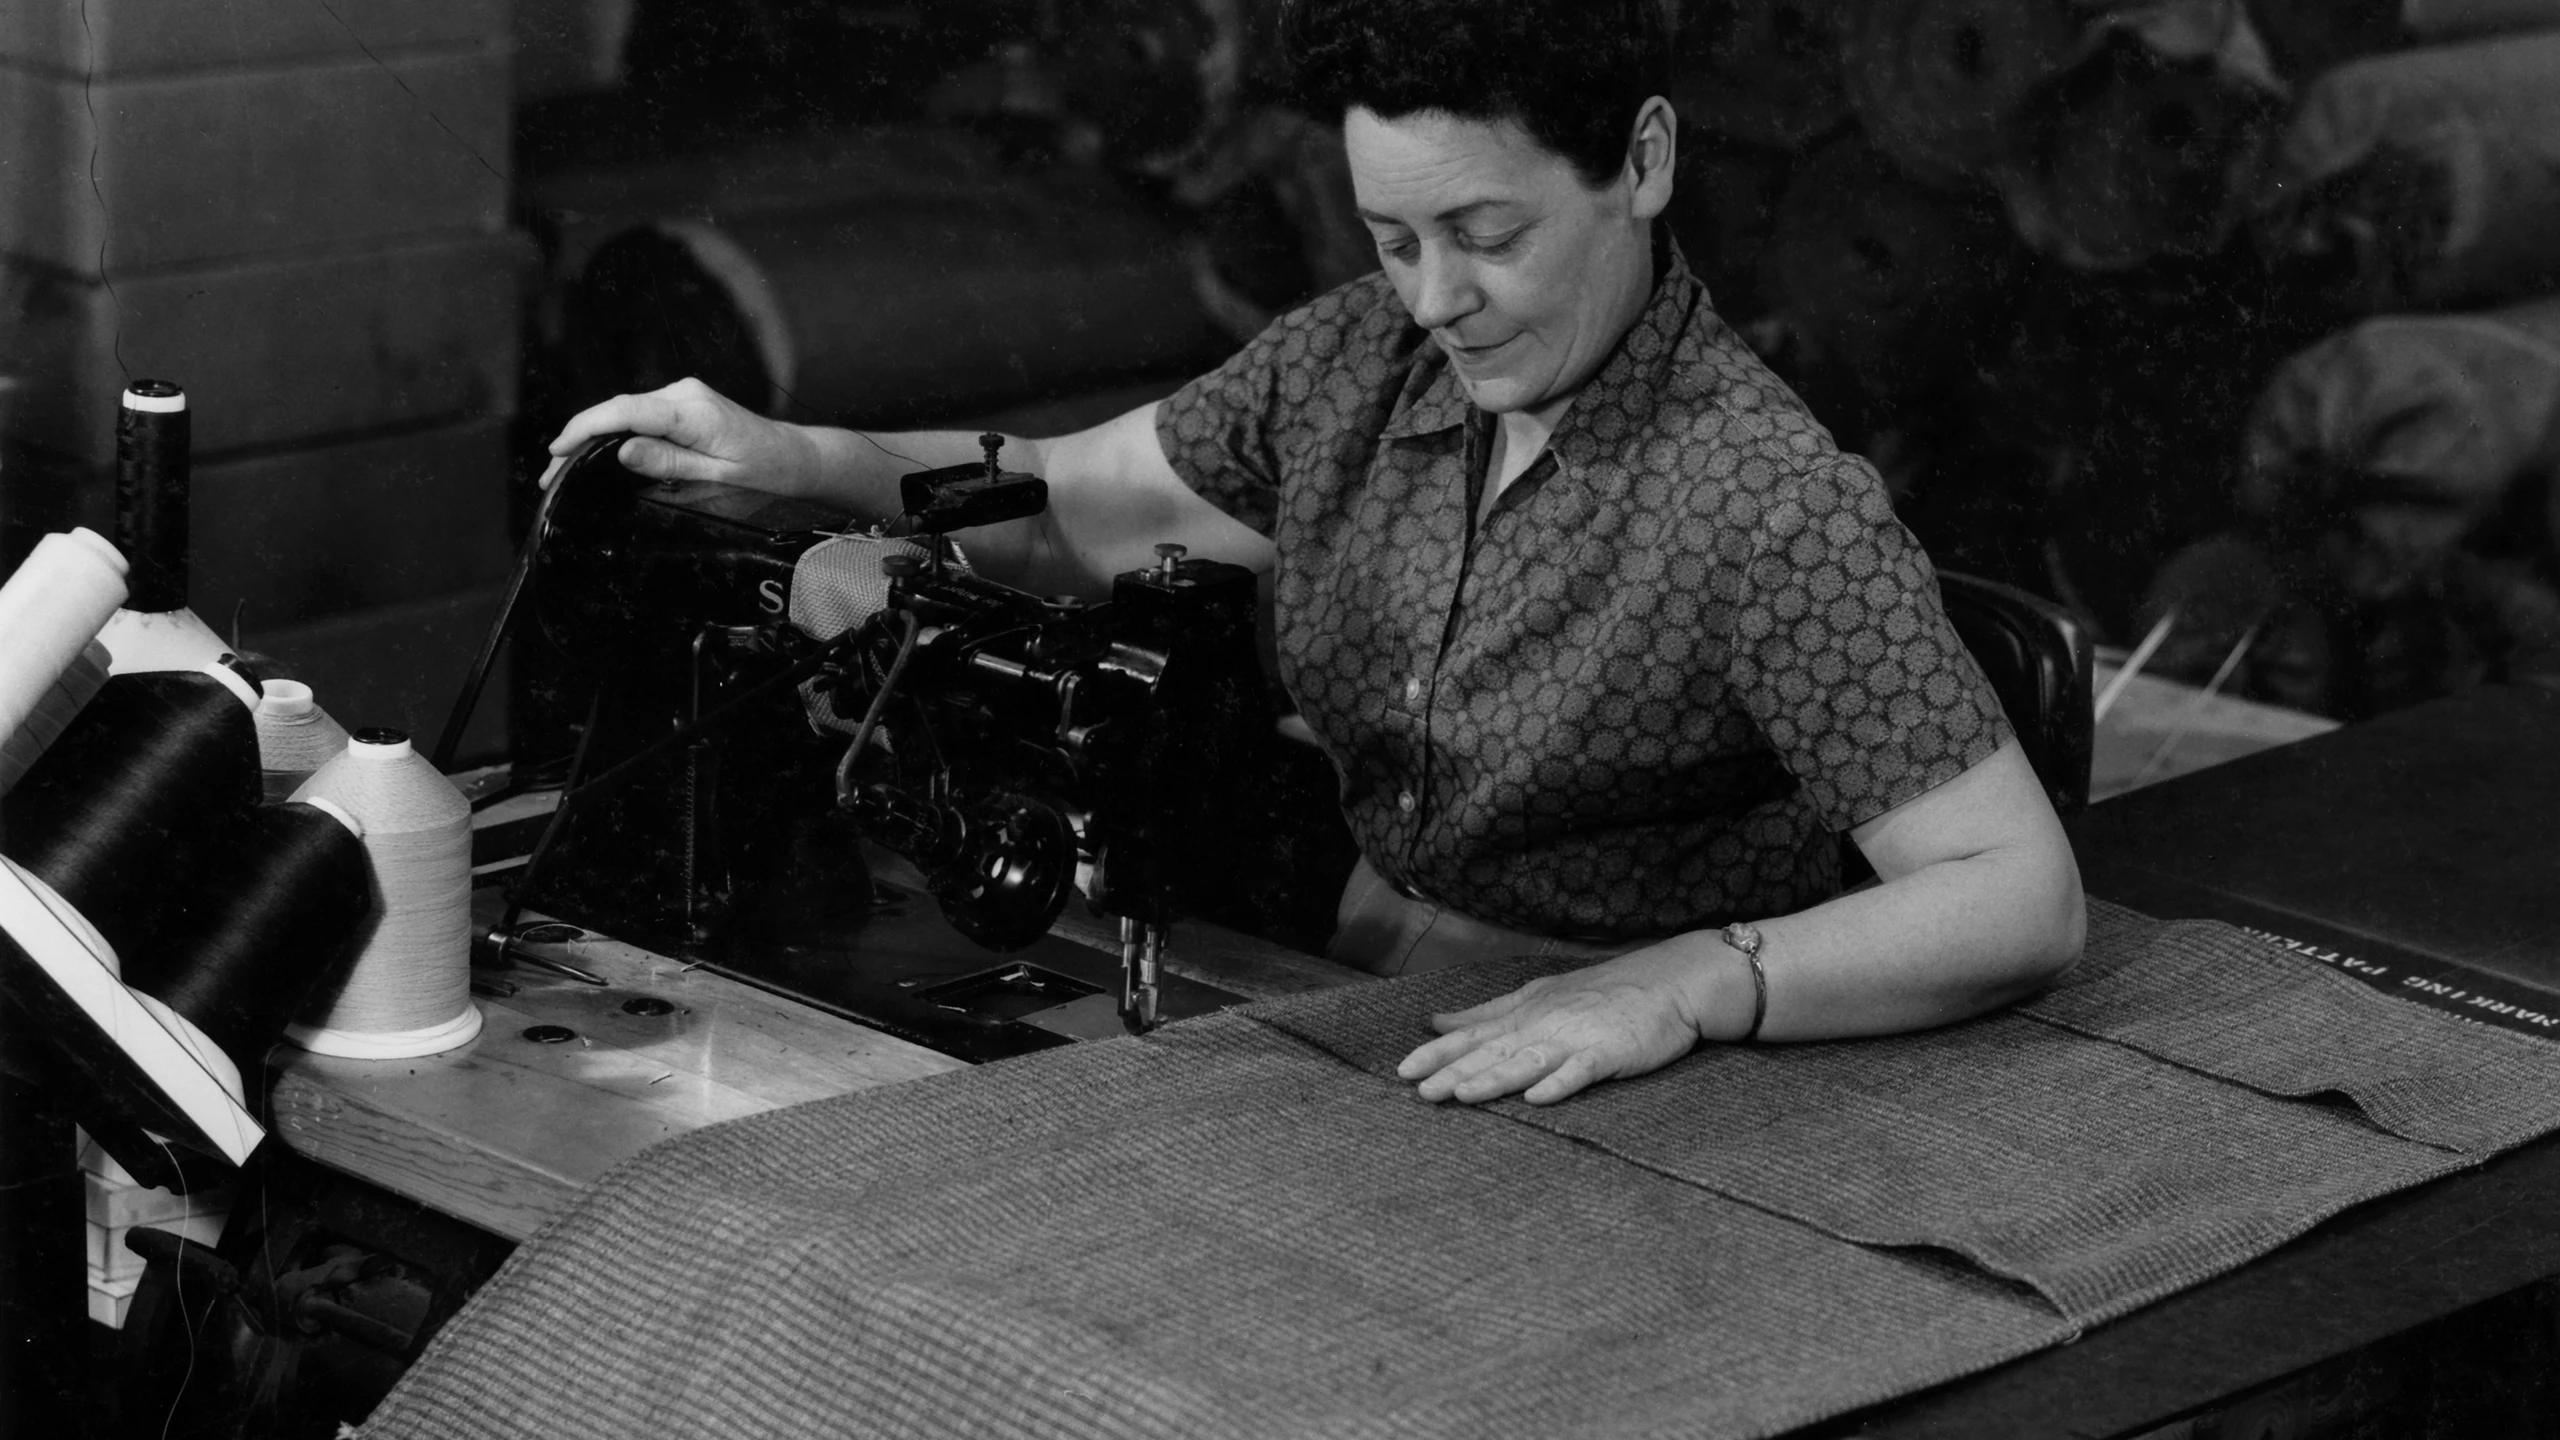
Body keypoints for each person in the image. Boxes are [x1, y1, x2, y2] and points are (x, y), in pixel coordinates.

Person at [544, 0, 2086, 1107]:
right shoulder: (1355, 364)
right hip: (1371, 997)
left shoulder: (1762, 503)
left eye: (1488, 235)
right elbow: (1081, 504)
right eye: (1392, 240)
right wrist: (794, 458)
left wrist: (1690, 983)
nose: (1434, 300)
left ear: (1647, 161)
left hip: (1641, 1079)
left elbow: (2014, 897)